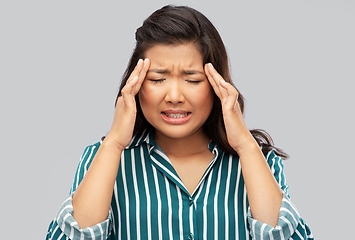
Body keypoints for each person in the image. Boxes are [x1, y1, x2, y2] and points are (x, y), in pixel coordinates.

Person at [46, 5, 313, 240]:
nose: (174, 97)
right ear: (135, 85)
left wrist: (245, 144)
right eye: (157, 79)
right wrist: (115, 142)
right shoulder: (101, 158)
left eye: (193, 80)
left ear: (218, 85)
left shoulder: (260, 161)